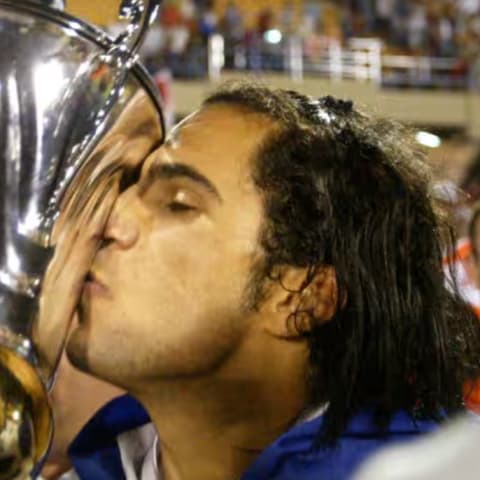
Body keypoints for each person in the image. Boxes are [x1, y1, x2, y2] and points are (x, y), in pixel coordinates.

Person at [56, 82, 480, 480]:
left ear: (305, 296)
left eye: (179, 203)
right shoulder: (88, 459)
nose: (110, 221)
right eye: (127, 191)